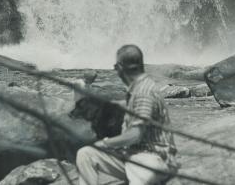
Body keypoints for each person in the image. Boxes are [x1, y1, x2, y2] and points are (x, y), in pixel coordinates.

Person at [76, 45, 178, 185]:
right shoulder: (137, 89)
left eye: (115, 66)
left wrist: (106, 143)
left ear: (121, 67)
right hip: (134, 156)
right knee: (86, 154)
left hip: (154, 158)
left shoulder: (143, 92)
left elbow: (136, 134)